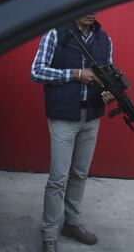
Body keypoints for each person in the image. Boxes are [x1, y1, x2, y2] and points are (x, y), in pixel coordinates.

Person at [31, 13, 115, 252]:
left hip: (91, 117)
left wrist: (106, 94)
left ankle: (72, 223)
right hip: (63, 117)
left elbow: (105, 78)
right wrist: (76, 74)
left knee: (79, 174)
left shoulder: (104, 39)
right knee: (58, 178)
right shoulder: (55, 34)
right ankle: (49, 234)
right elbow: (36, 72)